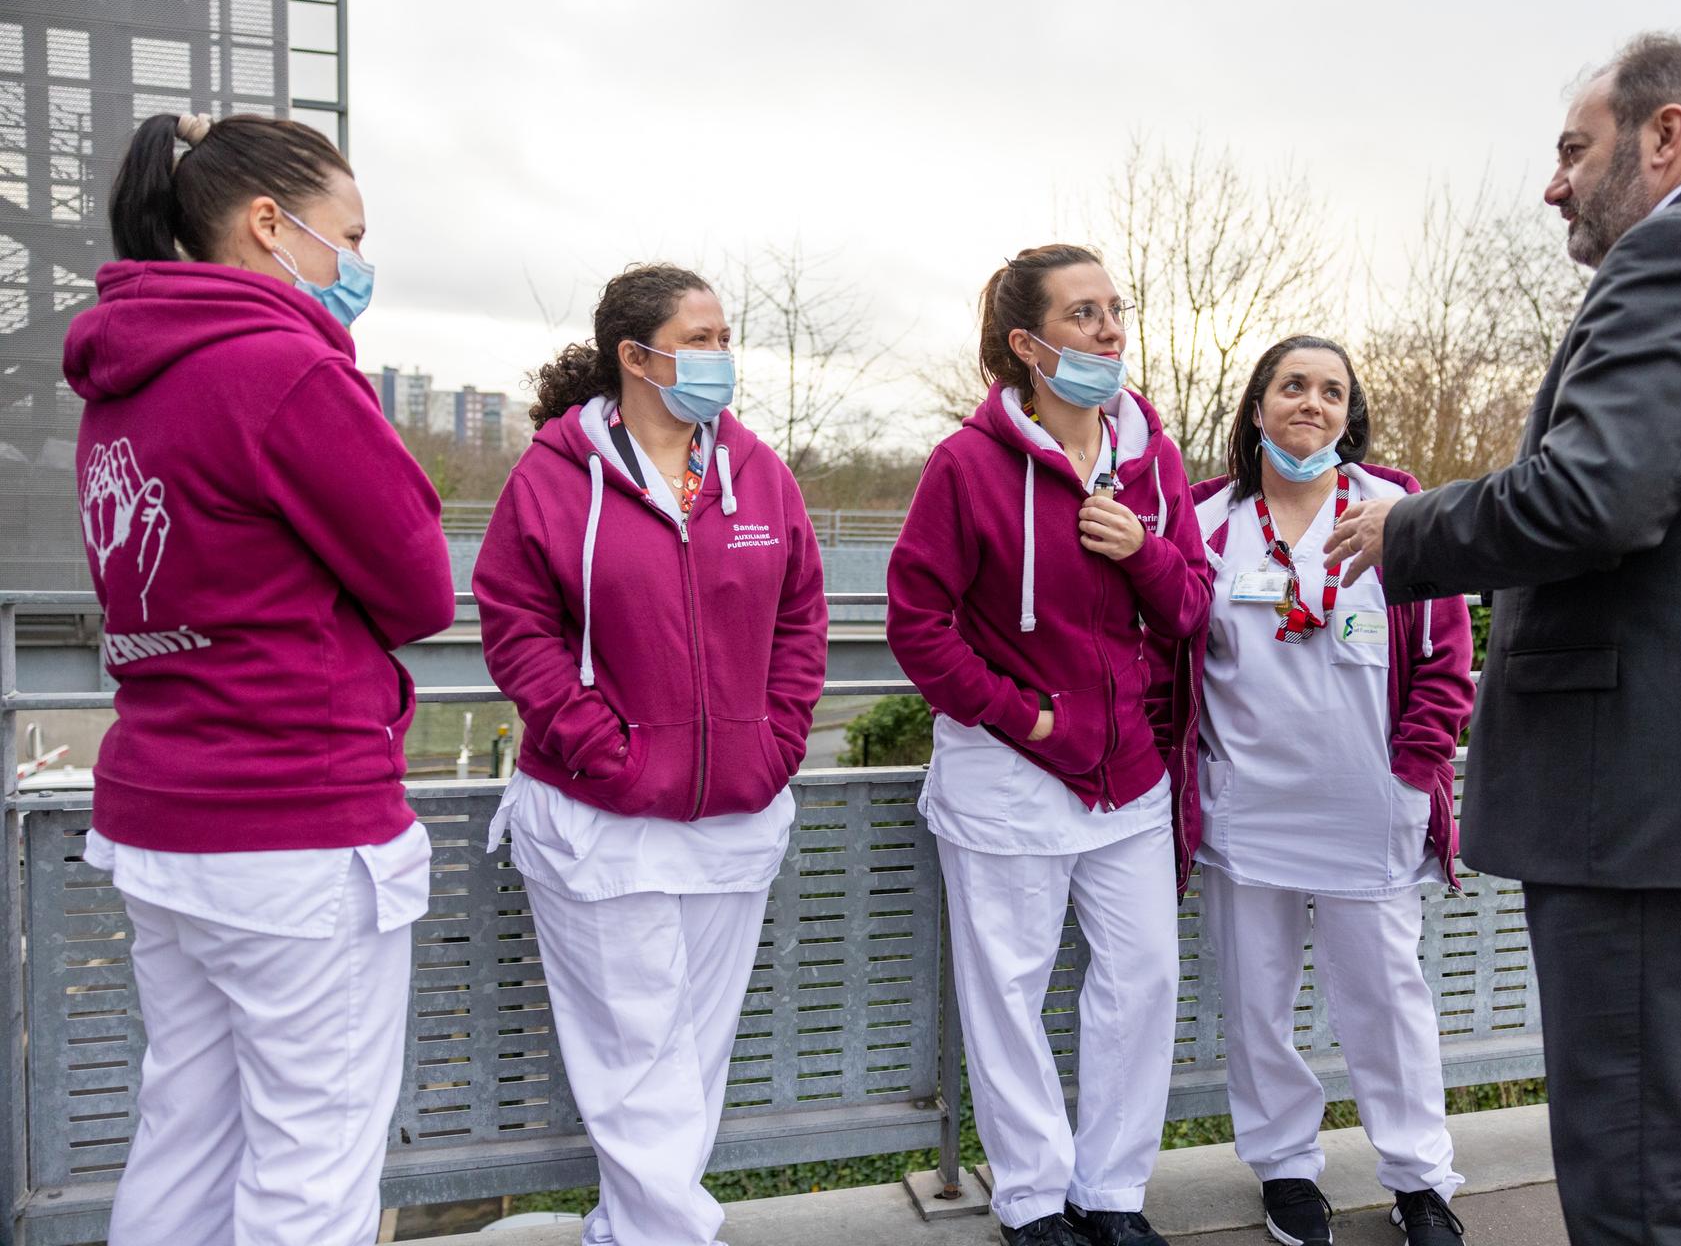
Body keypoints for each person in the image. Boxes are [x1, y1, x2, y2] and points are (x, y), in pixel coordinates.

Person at [1325, 34, 1681, 1245]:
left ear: (1665, 137)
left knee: (1640, 1165)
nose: (1554, 185)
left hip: (1656, 792)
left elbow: (1594, 496)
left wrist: (1406, 529)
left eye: (1572, 150)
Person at [63, 112, 455, 1244]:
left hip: (161, 813)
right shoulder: (280, 367)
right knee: (313, 1155)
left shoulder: (119, 381)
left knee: (186, 1127)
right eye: (351, 233)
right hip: (292, 819)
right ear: (269, 223)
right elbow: (421, 585)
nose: (359, 262)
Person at [473, 263, 827, 1246]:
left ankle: (639, 1227)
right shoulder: (552, 475)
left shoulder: (756, 469)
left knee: (693, 1050)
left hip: (734, 812)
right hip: (601, 818)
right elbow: (515, 626)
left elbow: (801, 613)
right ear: (636, 356)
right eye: (701, 337)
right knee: (633, 1050)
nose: (722, 355)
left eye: (724, 335)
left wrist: (780, 737)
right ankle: (659, 1232)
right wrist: (601, 747)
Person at [886, 244, 1211, 1246]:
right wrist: (1023, 716)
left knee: (1143, 977)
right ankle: (1031, 1195)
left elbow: (1195, 602)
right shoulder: (966, 465)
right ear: (1028, 345)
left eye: (1116, 308)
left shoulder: (1152, 457)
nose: (1110, 328)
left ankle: (1111, 1191)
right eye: (1083, 314)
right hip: (1010, 775)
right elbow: (916, 621)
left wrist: (1143, 550)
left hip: (1130, 777)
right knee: (1009, 990)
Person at [1186, 336, 1474, 1246]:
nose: (1311, 402)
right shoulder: (1204, 523)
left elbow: (1449, 662)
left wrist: (1411, 773)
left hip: (1368, 809)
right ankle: (1285, 1172)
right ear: (1258, 406)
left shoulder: (1401, 516)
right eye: (1292, 386)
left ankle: (1421, 1180)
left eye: (1331, 391)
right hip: (1248, 809)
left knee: (1387, 1003)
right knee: (1257, 1002)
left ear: (1351, 415)